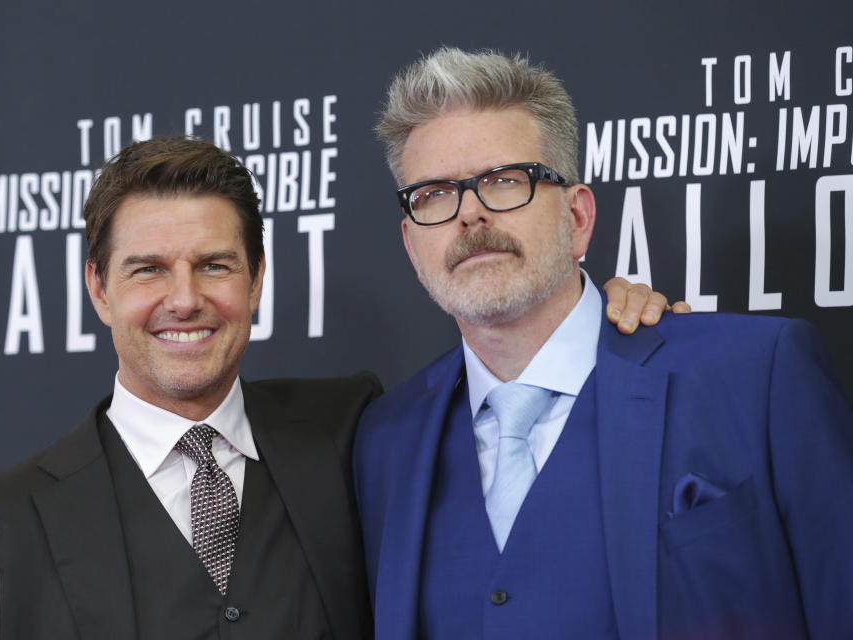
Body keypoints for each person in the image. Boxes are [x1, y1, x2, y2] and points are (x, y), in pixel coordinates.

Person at [0, 136, 670, 639]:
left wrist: (614, 318)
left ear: (256, 282)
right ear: (98, 288)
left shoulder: (353, 430)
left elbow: (517, 356)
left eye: (214, 265)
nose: (184, 300)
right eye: (147, 269)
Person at [353, 47, 853, 640]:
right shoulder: (385, 439)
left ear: (578, 216)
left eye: (504, 180)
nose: (469, 214)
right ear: (412, 246)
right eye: (434, 194)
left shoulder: (756, 374)